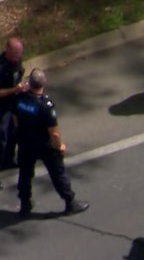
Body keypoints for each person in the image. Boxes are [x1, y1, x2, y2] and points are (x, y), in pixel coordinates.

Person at [12, 68, 89, 218]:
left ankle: (25, 204)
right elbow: (53, 132)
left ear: (29, 82)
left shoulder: (20, 99)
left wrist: (20, 133)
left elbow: (15, 119)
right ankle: (70, 202)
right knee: (58, 174)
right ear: (44, 83)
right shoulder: (45, 106)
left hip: (25, 142)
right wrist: (59, 146)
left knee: (25, 173)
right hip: (44, 145)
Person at [0, 37, 27, 190]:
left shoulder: (17, 62)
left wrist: (21, 88)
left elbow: (17, 77)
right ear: (7, 50)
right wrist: (15, 90)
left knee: (15, 131)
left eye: (20, 53)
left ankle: (8, 160)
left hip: (13, 100)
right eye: (15, 53)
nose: (18, 56)